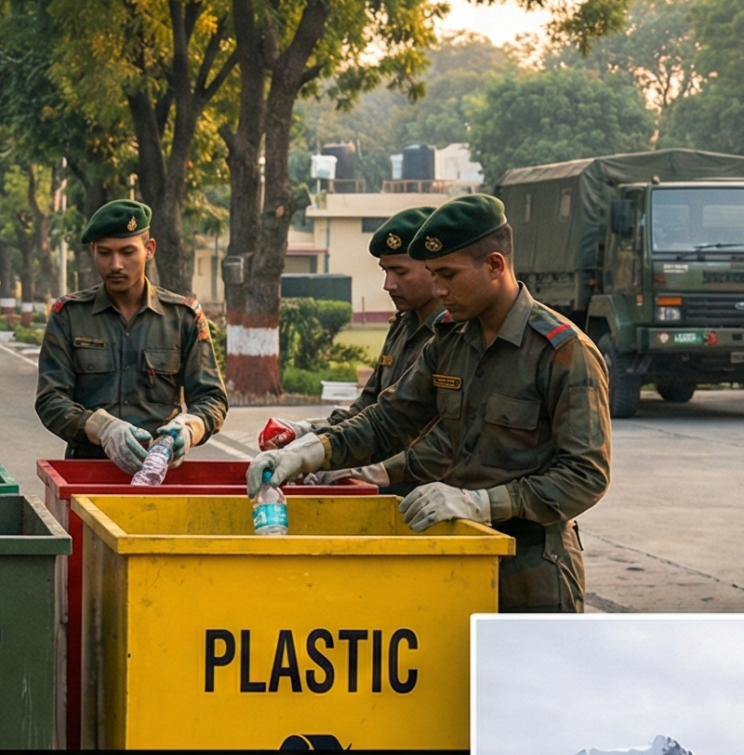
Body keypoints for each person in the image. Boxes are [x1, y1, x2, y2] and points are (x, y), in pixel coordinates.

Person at [251, 194, 612, 612]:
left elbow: (585, 475)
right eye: (434, 276)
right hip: (453, 556)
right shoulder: (451, 339)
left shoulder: (562, 351)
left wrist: (483, 502)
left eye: (448, 275)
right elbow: (389, 419)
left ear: (495, 265)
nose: (438, 289)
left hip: (532, 571)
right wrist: (308, 452)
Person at [34, 200, 228, 474]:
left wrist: (189, 428)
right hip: (87, 474)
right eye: (105, 253)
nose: (116, 265)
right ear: (93, 251)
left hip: (161, 473)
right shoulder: (69, 316)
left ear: (149, 250)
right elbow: (50, 400)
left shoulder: (183, 317)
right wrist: (102, 428)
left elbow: (212, 398)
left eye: (127, 252)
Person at [312, 206, 447, 486]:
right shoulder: (402, 326)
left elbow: (450, 435)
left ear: (434, 269)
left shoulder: (454, 332)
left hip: (435, 491)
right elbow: (371, 406)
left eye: (400, 272)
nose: (389, 284)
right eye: (385, 271)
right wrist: (311, 436)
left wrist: (374, 471)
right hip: (389, 490)